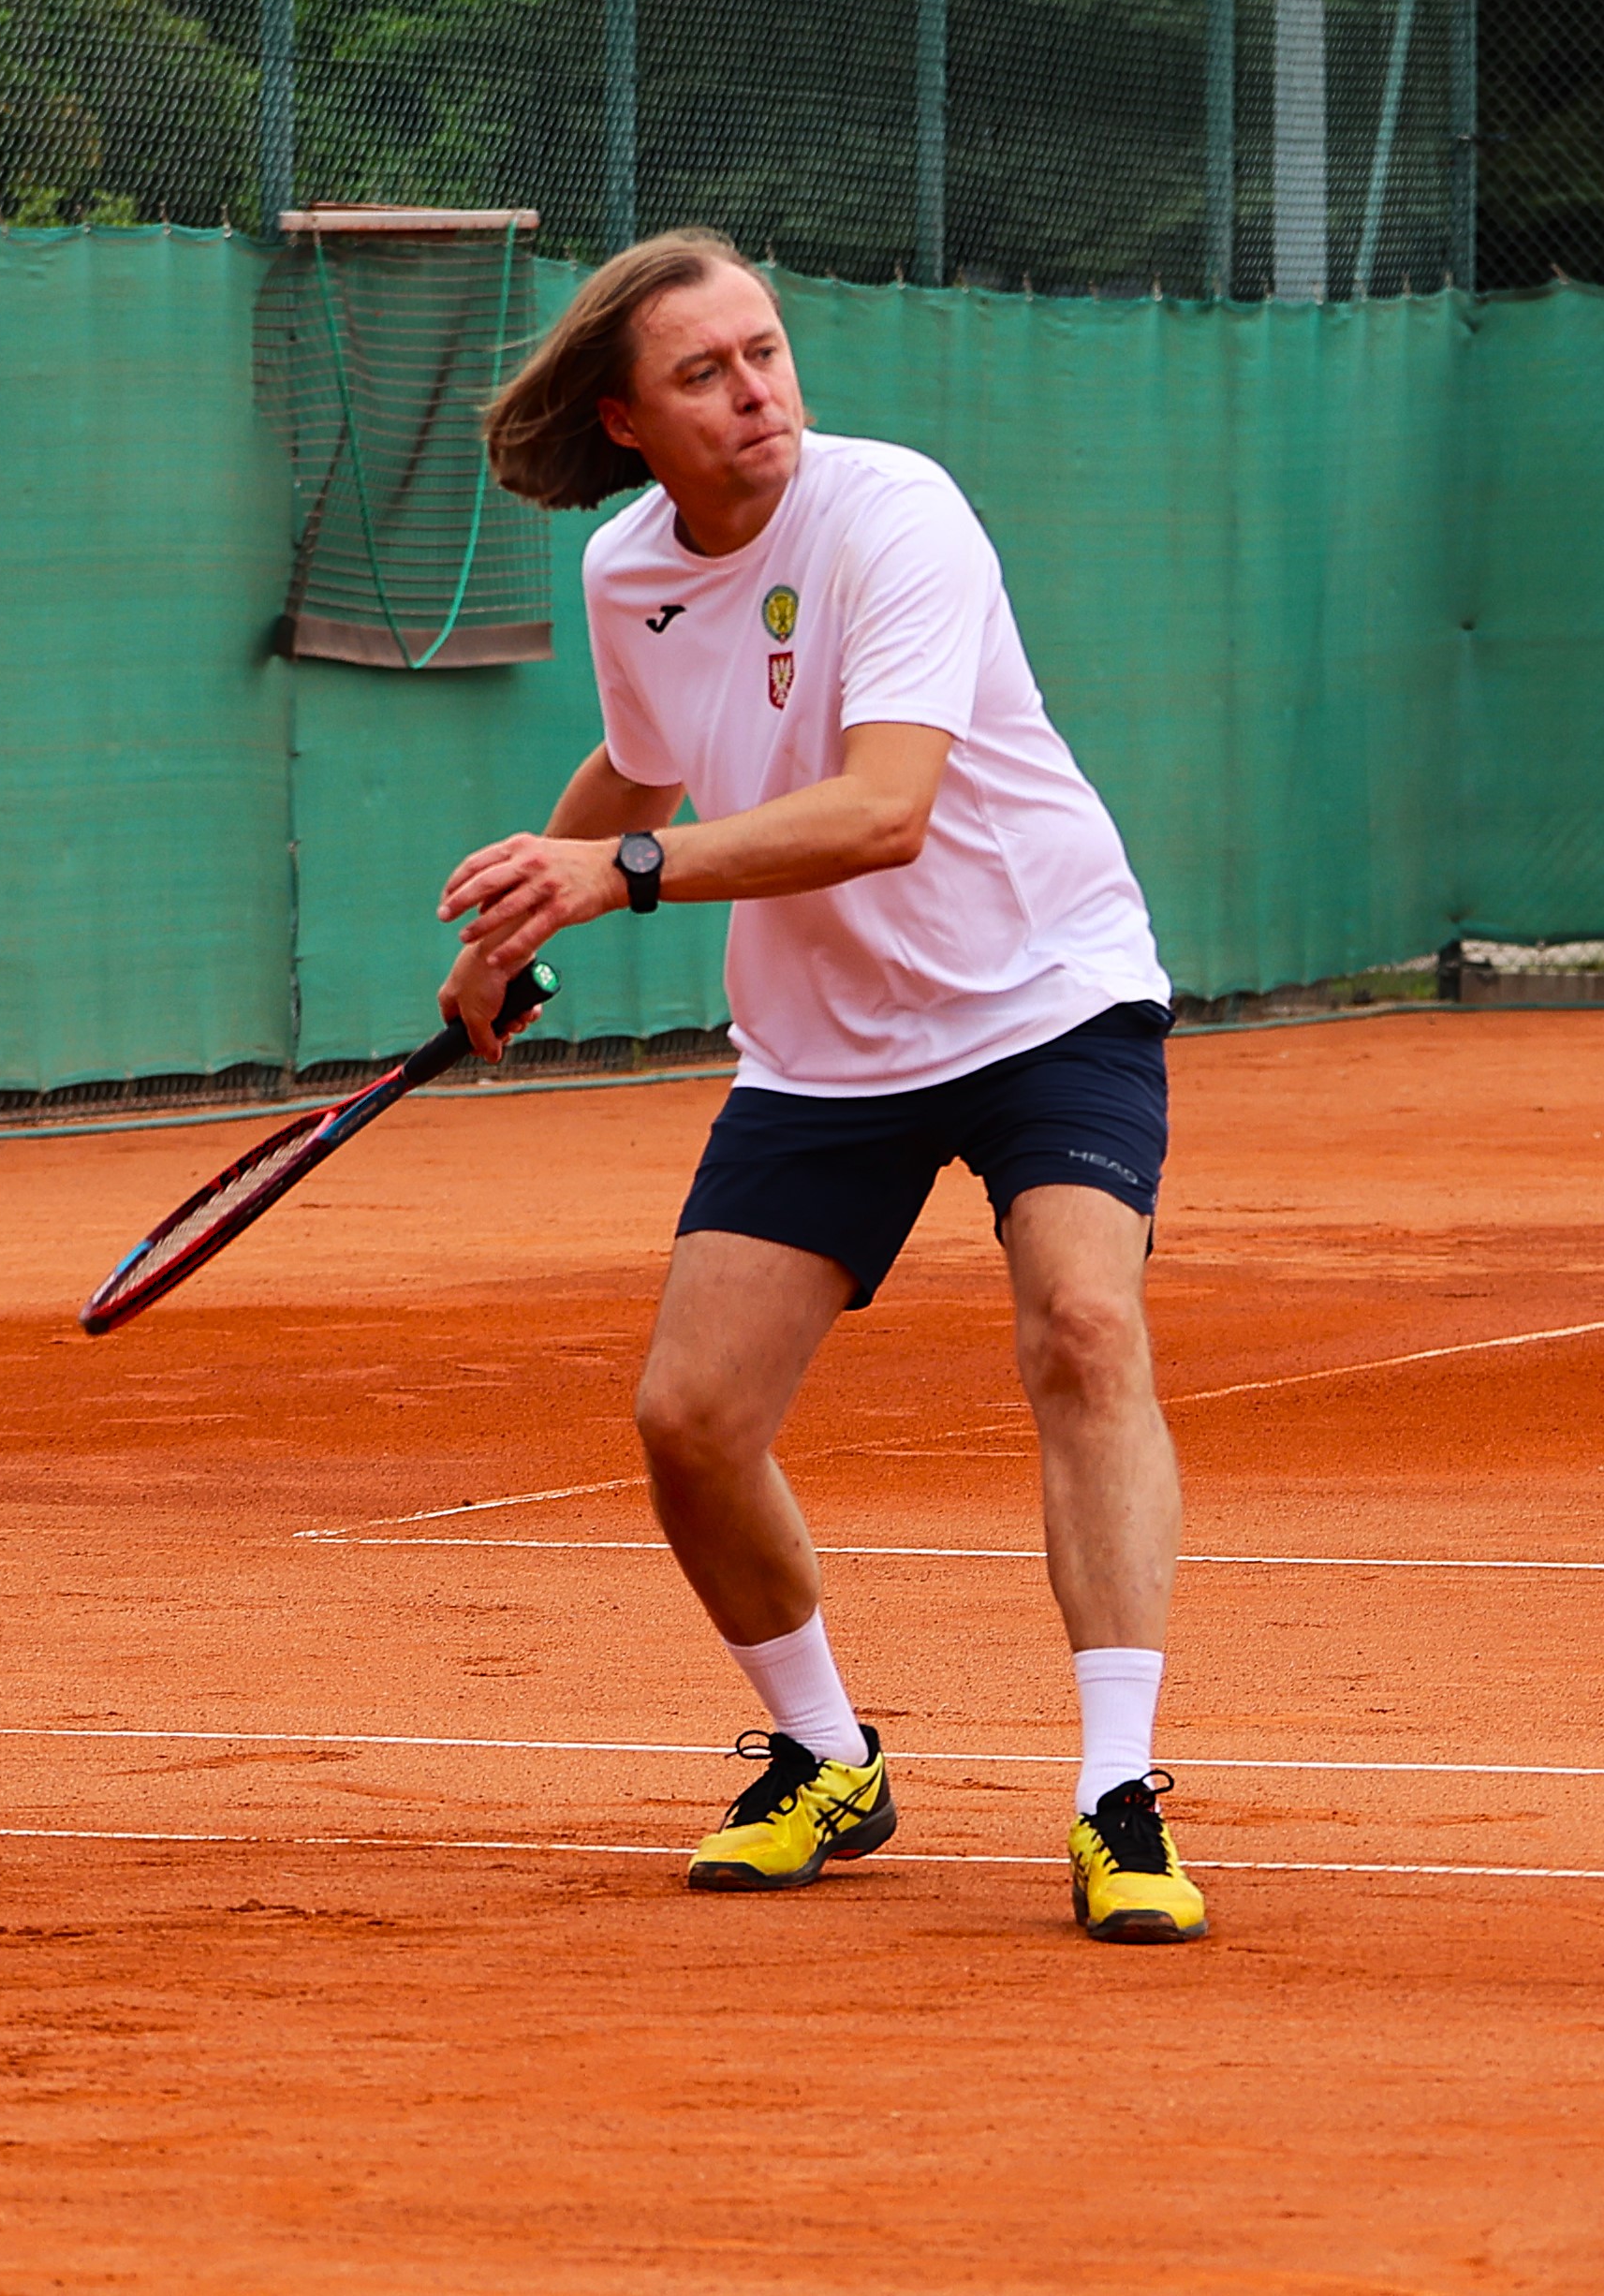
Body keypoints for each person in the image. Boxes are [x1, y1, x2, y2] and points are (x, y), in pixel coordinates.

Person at [440, 227, 1204, 1942]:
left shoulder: (892, 512)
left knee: (1085, 1322)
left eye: (765, 352)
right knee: (689, 1421)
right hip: (827, 1043)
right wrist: (517, 920)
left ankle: (1118, 1794)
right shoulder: (628, 571)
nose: (755, 393)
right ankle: (824, 1755)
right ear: (627, 420)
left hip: (1044, 989)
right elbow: (644, 759)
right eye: (703, 373)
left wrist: (619, 876)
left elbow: (883, 810)